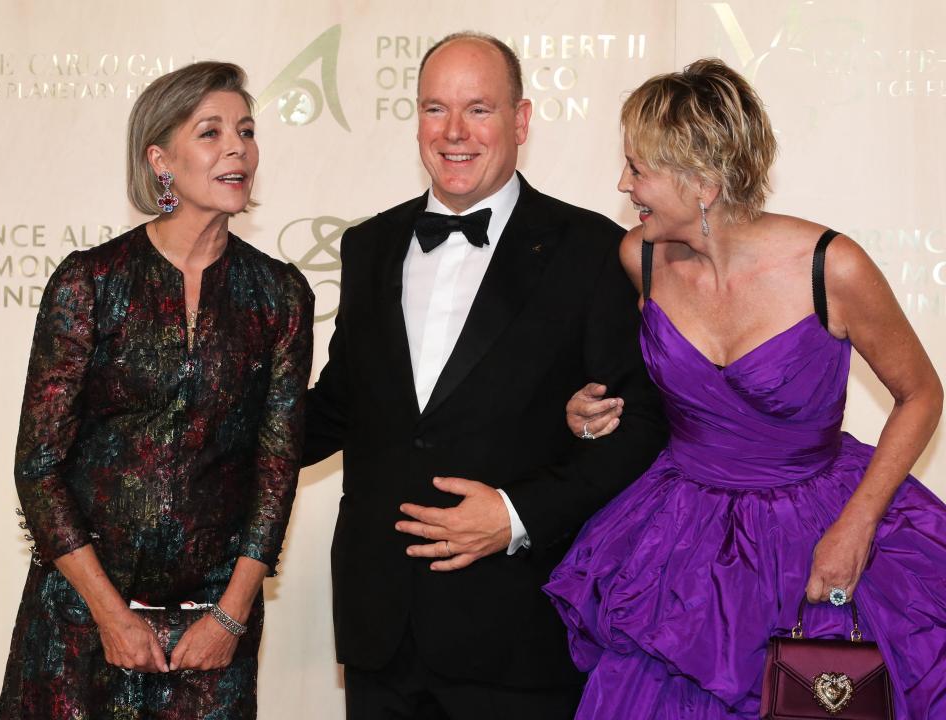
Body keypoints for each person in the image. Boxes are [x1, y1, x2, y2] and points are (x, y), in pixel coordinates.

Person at [546, 58, 946, 719]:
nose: (623, 185)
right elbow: (644, 390)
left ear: (701, 182)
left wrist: (857, 525)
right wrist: (584, 411)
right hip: (682, 543)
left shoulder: (829, 267)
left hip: (815, 527)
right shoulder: (637, 258)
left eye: (639, 169)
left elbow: (922, 395)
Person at [300, 32, 666, 719]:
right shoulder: (367, 245)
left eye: (479, 109)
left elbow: (639, 426)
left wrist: (515, 515)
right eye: (436, 109)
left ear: (521, 120)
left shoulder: (588, 250)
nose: (455, 132)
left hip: (517, 629)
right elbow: (342, 408)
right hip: (380, 628)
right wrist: (211, 434)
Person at [0, 62, 313, 719]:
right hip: (79, 628)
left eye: (246, 131)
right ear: (160, 160)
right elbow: (39, 467)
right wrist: (112, 617)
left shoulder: (279, 294)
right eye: (211, 132)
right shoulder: (90, 282)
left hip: (211, 639)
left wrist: (230, 618)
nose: (238, 148)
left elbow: (276, 468)